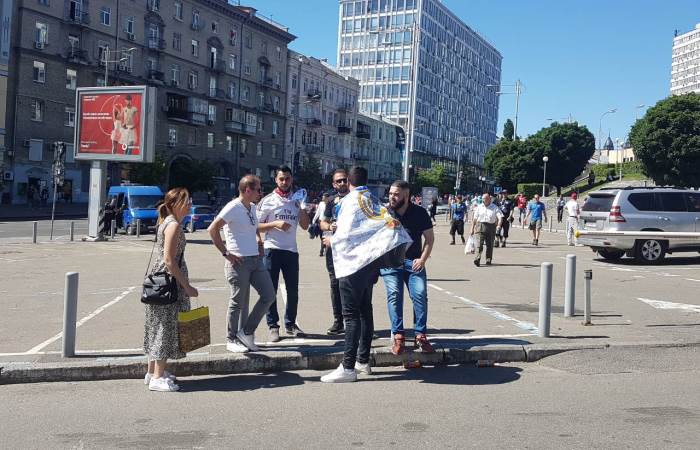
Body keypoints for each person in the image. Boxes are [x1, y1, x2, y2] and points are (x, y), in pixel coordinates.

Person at [321, 166, 411, 383]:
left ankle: (348, 367)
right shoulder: (371, 198)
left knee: (351, 316)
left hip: (353, 265)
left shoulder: (350, 201)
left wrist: (331, 240)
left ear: (349, 182)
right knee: (365, 311)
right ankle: (362, 361)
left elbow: (345, 233)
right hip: (370, 263)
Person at [207, 175, 276, 353]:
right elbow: (212, 229)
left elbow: (253, 228)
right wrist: (226, 253)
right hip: (239, 261)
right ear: (247, 190)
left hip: (255, 259)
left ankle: (246, 333)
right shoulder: (233, 207)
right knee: (238, 302)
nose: (261, 193)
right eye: (258, 189)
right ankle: (231, 339)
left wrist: (258, 242)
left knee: (269, 295)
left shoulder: (252, 207)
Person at [143, 188, 199, 392]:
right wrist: (187, 286)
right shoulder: (173, 225)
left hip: (160, 282)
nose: (190, 205)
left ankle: (152, 372)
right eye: (186, 202)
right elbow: (169, 260)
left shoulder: (166, 222)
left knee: (158, 326)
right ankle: (157, 378)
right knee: (165, 329)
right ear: (175, 204)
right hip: (170, 283)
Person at [256, 166, 310, 342]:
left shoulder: (296, 200)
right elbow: (255, 225)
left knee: (292, 291)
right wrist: (275, 224)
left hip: (291, 251)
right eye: (281, 179)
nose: (284, 182)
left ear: (291, 179)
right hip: (272, 250)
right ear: (276, 180)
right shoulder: (268, 200)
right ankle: (273, 326)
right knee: (270, 290)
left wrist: (302, 207)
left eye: (287, 178)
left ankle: (291, 324)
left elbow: (305, 226)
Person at [380, 181, 435, 355]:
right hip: (391, 263)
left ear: (406, 195)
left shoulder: (420, 213)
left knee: (420, 294)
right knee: (394, 295)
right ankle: (398, 335)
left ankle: (420, 335)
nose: (392, 197)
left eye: (396, 194)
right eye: (390, 194)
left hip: (413, 262)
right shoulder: (384, 212)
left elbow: (430, 239)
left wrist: (422, 259)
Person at [320, 169, 349, 335]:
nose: (342, 183)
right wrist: (330, 227)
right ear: (334, 184)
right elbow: (322, 223)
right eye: (339, 181)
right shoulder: (331, 201)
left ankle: (357, 321)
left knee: (353, 285)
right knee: (335, 284)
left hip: (352, 250)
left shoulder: (356, 199)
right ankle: (338, 321)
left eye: (344, 180)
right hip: (334, 249)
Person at [470, 193, 503, 267]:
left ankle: (488, 259)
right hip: (480, 226)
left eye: (485, 199)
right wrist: (472, 228)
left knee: (489, 245)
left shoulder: (494, 207)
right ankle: (477, 259)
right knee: (479, 244)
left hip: (491, 227)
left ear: (489, 199)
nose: (483, 200)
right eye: (483, 199)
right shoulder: (479, 207)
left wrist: (498, 225)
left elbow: (500, 217)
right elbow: (475, 219)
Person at [312, 193, 329, 257]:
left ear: (327, 198)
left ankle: (322, 251)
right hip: (320, 222)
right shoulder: (321, 204)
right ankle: (323, 248)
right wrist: (314, 220)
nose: (322, 198)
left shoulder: (329, 204)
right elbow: (318, 212)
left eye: (324, 197)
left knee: (325, 237)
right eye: (322, 197)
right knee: (321, 237)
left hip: (327, 222)